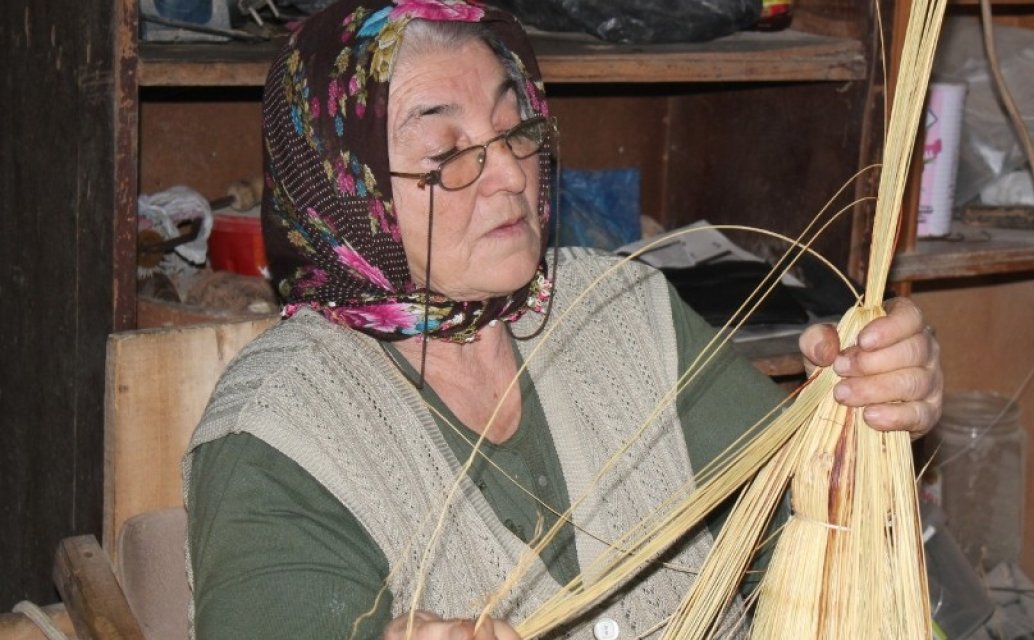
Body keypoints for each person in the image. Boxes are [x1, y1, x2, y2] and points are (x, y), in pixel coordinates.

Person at [183, 1, 944, 638]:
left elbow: (804, 534)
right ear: (340, 190)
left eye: (516, 130)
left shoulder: (623, 311)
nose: (513, 174)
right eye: (448, 155)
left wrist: (856, 424)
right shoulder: (280, 434)